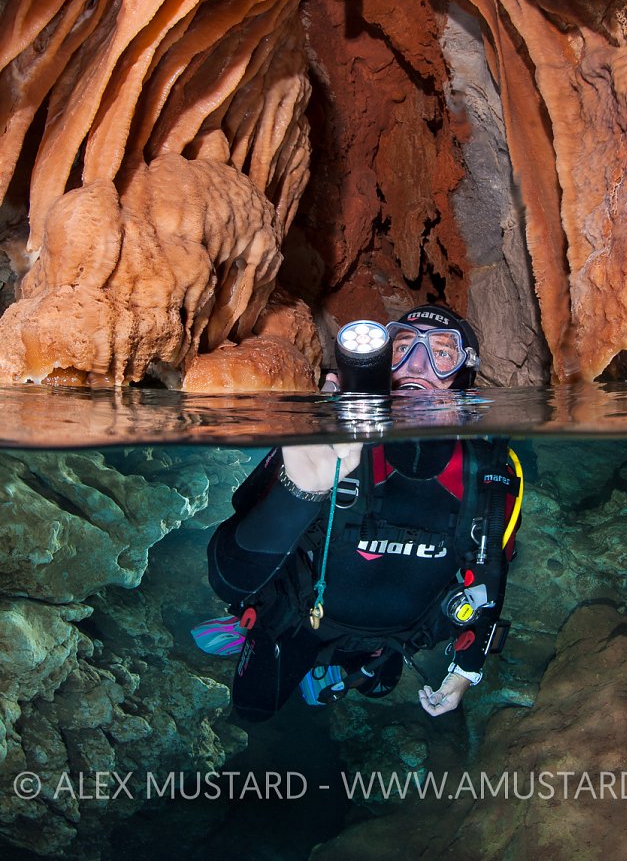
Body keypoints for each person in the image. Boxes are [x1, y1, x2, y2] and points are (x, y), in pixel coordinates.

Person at [196, 304, 522, 722]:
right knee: (253, 705)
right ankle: (249, 632)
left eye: (441, 353)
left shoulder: (491, 470)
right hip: (297, 620)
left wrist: (466, 670)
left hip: (392, 641)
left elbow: (490, 579)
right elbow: (228, 579)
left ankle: (350, 669)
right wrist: (300, 492)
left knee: (378, 687)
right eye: (401, 347)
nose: (416, 366)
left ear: (464, 377)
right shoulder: (329, 439)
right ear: (380, 361)